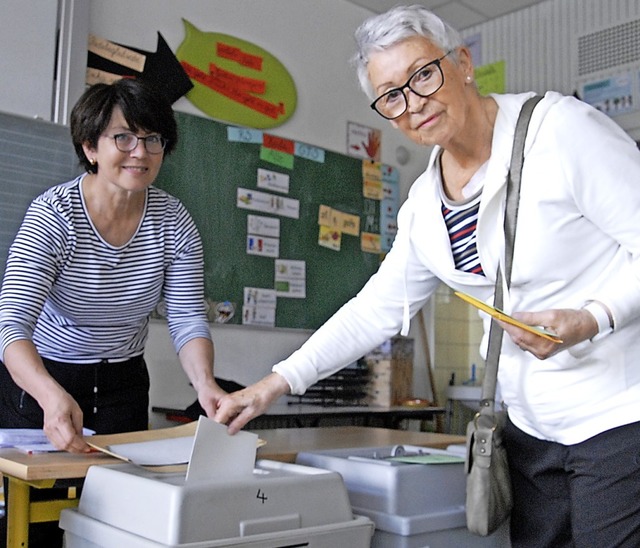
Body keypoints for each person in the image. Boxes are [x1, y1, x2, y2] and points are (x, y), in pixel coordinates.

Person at [215, 5, 640, 547]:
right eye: (392, 95)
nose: (414, 103)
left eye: (422, 75)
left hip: (619, 417)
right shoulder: (422, 206)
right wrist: (274, 384)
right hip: (529, 428)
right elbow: (374, 309)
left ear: (462, 64)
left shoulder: (560, 133)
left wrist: (592, 318)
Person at [0, 76, 228, 547]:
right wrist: (48, 393)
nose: (139, 153)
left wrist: (205, 385)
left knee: (115, 519)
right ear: (90, 147)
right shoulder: (54, 216)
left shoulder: (174, 221)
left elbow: (187, 318)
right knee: (36, 522)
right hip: (43, 379)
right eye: (123, 137)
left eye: (152, 139)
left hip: (123, 382)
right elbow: (12, 324)